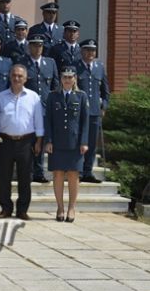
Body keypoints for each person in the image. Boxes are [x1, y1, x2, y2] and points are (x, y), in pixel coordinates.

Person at [0, 64, 44, 220]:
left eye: (20, 76)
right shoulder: (1, 96)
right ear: (10, 76)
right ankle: (5, 208)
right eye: (14, 75)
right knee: (4, 177)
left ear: (26, 78)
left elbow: (38, 121)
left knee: (24, 177)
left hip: (26, 141)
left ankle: (22, 209)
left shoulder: (33, 97)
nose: (17, 78)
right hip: (5, 140)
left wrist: (39, 141)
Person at [44, 66, 89, 223]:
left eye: (70, 77)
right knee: (57, 174)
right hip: (56, 142)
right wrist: (48, 141)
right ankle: (60, 207)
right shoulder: (53, 96)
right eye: (65, 77)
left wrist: (84, 142)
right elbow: (48, 120)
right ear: (61, 79)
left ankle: (71, 208)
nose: (67, 80)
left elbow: (85, 122)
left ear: (75, 79)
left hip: (75, 143)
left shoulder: (81, 96)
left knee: (73, 175)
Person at [23, 34, 59, 183]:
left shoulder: (50, 63)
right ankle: (27, 171)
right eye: (34, 45)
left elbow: (55, 85)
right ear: (29, 46)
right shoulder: (22, 63)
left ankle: (38, 171)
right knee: (28, 141)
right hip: (27, 109)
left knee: (41, 141)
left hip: (44, 109)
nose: (37, 48)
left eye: (39, 45)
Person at [75, 39, 110, 183]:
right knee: (78, 142)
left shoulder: (99, 67)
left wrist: (104, 106)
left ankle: (87, 172)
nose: (91, 53)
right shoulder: (75, 67)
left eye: (93, 50)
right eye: (88, 50)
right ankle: (76, 170)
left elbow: (105, 90)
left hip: (95, 112)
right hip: (78, 112)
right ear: (82, 51)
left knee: (91, 142)